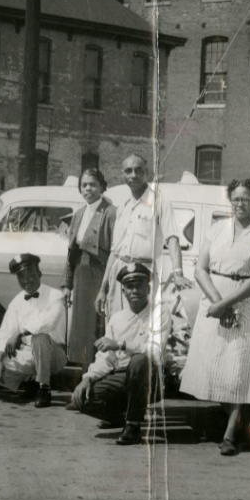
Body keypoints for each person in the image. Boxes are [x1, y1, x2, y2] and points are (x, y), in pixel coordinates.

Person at [180, 179, 250, 456]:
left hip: (247, 302)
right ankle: (242, 420)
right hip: (215, 298)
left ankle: (230, 433)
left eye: (246, 199)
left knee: (239, 369)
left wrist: (226, 304)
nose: (240, 204)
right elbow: (200, 270)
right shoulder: (216, 229)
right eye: (235, 198)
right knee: (213, 366)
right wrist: (218, 304)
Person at [96, 152, 193, 366]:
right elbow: (114, 250)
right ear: (122, 175)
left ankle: (139, 376)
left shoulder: (159, 201)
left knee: (143, 326)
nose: (133, 175)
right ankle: (115, 376)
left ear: (147, 173)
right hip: (119, 271)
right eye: (128, 171)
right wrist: (103, 288)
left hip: (143, 273)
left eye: (138, 170)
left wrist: (178, 273)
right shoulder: (122, 207)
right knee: (116, 324)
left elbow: (173, 239)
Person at [70, 262, 171, 445]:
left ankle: (133, 425)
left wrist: (121, 345)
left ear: (147, 288)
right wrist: (88, 378)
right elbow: (106, 357)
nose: (134, 291)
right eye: (129, 287)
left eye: (139, 286)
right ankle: (120, 416)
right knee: (81, 400)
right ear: (123, 291)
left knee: (139, 361)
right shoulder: (117, 319)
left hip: (150, 377)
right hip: (122, 376)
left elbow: (154, 350)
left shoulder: (160, 313)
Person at [0, 254, 67, 408]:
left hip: (54, 354)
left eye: (30, 275)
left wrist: (21, 332)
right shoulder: (17, 301)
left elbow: (49, 321)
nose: (26, 280)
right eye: (22, 277)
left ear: (39, 273)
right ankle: (29, 385)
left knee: (39, 338)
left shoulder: (55, 295)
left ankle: (44, 389)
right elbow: (5, 332)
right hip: (28, 353)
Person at [64, 168, 116, 368]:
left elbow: (114, 250)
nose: (88, 189)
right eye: (84, 185)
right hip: (80, 273)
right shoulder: (78, 214)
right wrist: (67, 283)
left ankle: (98, 372)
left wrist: (106, 284)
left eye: (93, 184)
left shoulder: (111, 213)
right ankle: (85, 372)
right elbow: (71, 253)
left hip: (100, 274)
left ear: (102, 187)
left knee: (98, 324)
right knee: (82, 326)